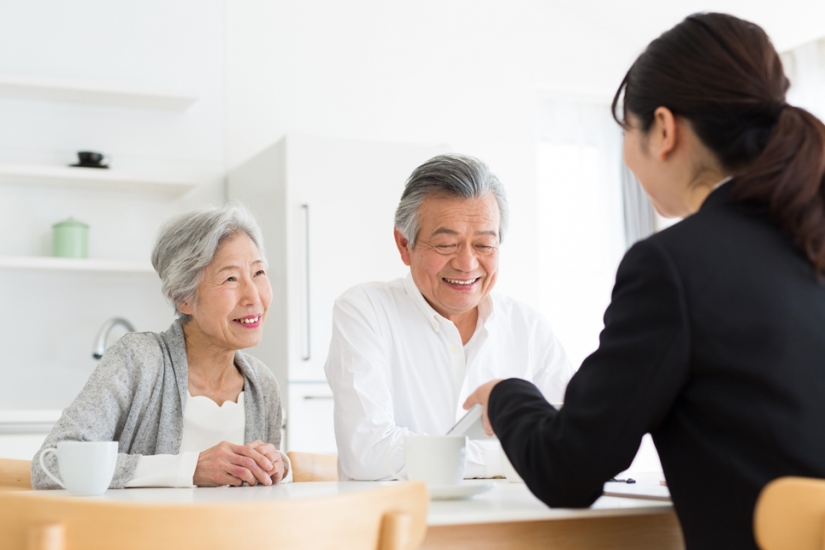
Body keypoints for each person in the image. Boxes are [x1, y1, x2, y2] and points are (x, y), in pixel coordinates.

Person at [464, 12, 825, 550]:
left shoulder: (674, 267)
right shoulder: (807, 244)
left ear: (663, 128)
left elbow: (569, 467)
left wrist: (505, 395)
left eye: (625, 131)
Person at [325, 154, 574, 480]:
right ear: (404, 245)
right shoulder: (364, 310)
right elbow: (369, 452)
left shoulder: (527, 328)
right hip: (403, 526)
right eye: (446, 244)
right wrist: (514, 455)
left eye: (485, 244)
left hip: (514, 524)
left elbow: (574, 438)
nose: (468, 263)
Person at [32, 204, 291, 489]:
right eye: (230, 278)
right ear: (184, 298)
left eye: (259, 273)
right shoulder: (138, 360)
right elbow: (51, 464)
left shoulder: (261, 384)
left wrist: (277, 468)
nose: (253, 296)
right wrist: (189, 469)